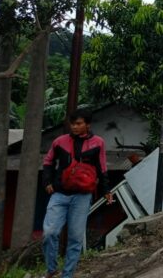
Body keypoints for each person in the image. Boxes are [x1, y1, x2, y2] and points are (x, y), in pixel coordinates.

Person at [42, 109, 112, 278]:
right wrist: (47, 182)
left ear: (87, 125)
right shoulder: (60, 141)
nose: (74, 127)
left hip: (82, 196)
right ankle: (51, 270)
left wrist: (106, 191)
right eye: (72, 124)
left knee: (75, 238)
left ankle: (67, 275)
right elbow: (48, 161)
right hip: (59, 194)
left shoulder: (98, 143)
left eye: (79, 124)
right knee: (49, 232)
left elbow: (102, 168)